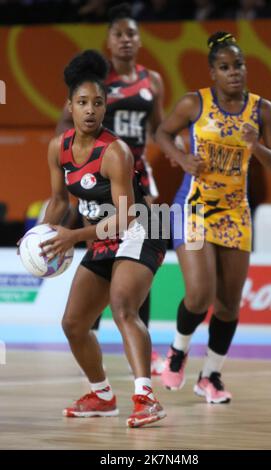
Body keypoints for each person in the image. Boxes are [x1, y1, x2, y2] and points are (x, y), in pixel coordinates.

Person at [156, 31, 271, 403]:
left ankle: (210, 376)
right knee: (199, 296)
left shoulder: (263, 111)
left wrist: (256, 146)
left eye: (239, 65)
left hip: (235, 212)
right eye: (225, 67)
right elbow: (162, 132)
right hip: (193, 207)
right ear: (212, 73)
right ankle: (178, 351)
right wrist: (182, 159)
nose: (234, 72)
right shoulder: (192, 103)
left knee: (229, 304)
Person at [38, 49, 167, 427]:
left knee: (122, 305)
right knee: (73, 324)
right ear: (70, 107)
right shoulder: (57, 149)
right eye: (82, 103)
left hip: (145, 225)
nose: (90, 110)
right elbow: (60, 200)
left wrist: (73, 236)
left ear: (105, 107)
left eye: (97, 103)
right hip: (103, 235)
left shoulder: (115, 153)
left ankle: (146, 397)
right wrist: (42, 237)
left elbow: (127, 217)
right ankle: (102, 395)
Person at [56, 2, 166, 375]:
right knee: (101, 258)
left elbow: (160, 130)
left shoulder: (152, 81)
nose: (126, 40)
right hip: (96, 182)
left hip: (133, 179)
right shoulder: (94, 86)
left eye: (132, 33)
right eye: (119, 34)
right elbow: (65, 147)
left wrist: (178, 155)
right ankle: (97, 335)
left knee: (131, 270)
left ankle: (139, 352)